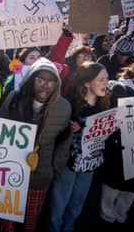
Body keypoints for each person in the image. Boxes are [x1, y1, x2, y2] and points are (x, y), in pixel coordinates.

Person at [0, 57, 72, 232]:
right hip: (10, 175)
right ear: (31, 80)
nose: (46, 85)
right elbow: (0, 131)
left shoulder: (63, 108)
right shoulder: (14, 99)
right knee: (6, 224)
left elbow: (64, 142)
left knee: (30, 224)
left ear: (57, 84)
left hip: (39, 178)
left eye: (51, 81)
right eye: (40, 80)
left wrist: (54, 170)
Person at [44, 62, 111, 232]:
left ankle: (68, 228)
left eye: (107, 79)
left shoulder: (106, 104)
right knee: (59, 201)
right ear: (87, 83)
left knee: (77, 202)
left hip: (90, 163)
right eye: (101, 79)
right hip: (68, 162)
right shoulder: (70, 104)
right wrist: (72, 129)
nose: (106, 83)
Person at [98, 57, 134, 225]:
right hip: (119, 149)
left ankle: (120, 216)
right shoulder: (121, 89)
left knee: (131, 186)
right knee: (114, 184)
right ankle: (106, 217)